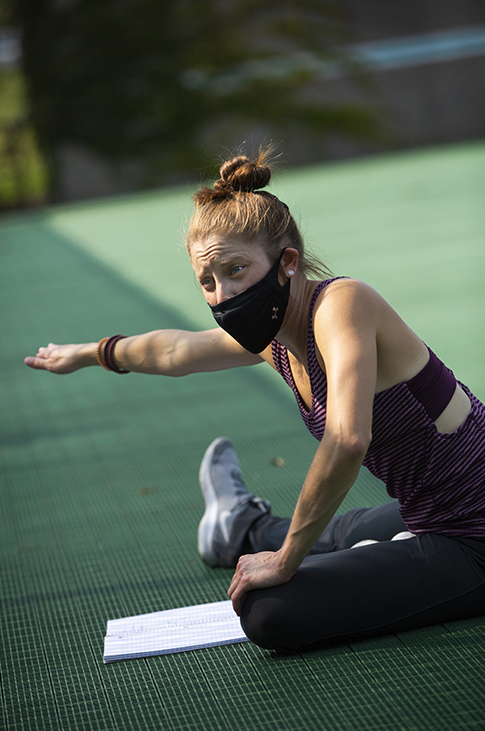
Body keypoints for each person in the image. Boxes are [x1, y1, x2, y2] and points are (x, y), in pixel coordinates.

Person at [25, 149, 485, 654]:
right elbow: (175, 350)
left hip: (473, 534)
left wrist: (287, 558)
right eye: (208, 280)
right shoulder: (274, 336)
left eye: (236, 269)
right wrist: (87, 354)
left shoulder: (342, 304)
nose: (222, 294)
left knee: (269, 611)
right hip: (429, 510)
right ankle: (240, 526)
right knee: (344, 529)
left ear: (287, 262)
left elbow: (348, 439)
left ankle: (264, 537)